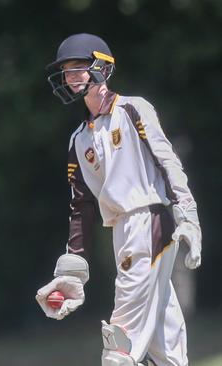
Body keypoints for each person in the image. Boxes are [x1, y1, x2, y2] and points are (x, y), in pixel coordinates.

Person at [36, 33, 202, 366]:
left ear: (102, 67)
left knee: (119, 344)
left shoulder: (132, 109)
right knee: (164, 348)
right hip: (122, 233)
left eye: (79, 67)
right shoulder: (79, 139)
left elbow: (166, 160)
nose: (71, 77)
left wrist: (187, 212)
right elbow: (80, 207)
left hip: (149, 222)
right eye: (67, 71)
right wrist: (73, 271)